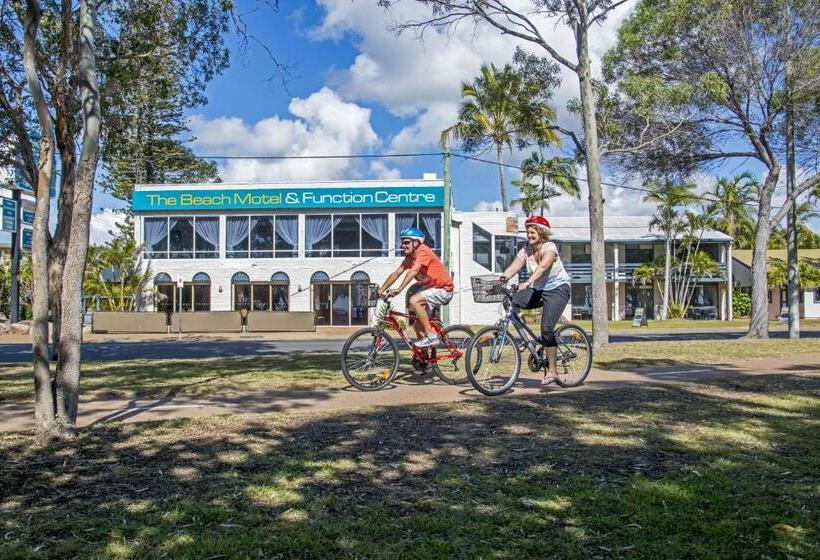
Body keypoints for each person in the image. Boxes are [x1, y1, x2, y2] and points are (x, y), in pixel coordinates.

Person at [498, 215, 571, 386]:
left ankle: (553, 372)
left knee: (546, 329)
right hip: (539, 289)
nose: (529, 235)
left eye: (533, 232)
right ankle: (527, 339)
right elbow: (516, 265)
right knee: (510, 300)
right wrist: (503, 277)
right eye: (528, 232)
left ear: (542, 233)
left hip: (557, 289)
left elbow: (543, 266)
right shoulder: (526, 250)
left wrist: (529, 282)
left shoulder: (550, 247)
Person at [379, 226, 454, 347]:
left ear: (416, 242)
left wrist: (399, 289)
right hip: (432, 291)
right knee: (417, 326)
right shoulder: (410, 258)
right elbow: (396, 273)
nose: (403, 245)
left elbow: (413, 271)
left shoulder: (422, 251)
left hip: (444, 290)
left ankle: (431, 335)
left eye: (406, 242)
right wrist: (380, 290)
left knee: (414, 301)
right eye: (402, 243)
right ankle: (426, 360)